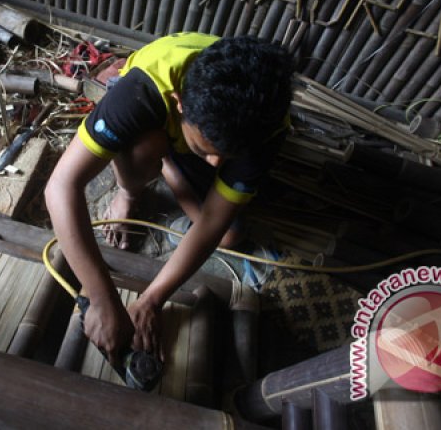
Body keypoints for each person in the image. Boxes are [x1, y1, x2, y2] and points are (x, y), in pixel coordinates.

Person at [45, 32, 293, 366]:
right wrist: (102, 297)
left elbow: (213, 222)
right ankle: (131, 190)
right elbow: (60, 186)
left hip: (203, 136)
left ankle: (172, 166)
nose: (216, 166)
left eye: (225, 156)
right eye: (208, 152)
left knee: (231, 236)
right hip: (158, 126)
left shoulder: (266, 128)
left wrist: (151, 300)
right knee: (144, 148)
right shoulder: (143, 88)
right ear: (179, 102)